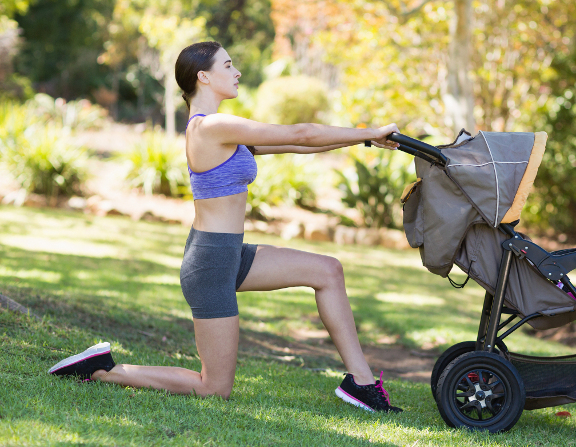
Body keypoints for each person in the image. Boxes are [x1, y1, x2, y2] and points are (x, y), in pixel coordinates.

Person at [48, 41, 402, 413]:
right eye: (228, 65)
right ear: (204, 76)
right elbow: (301, 133)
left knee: (327, 270)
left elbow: (299, 146)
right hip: (211, 263)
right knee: (214, 389)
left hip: (230, 254)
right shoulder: (211, 127)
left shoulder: (223, 130)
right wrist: (368, 131)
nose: (237, 73)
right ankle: (103, 369)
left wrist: (366, 140)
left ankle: (361, 384)